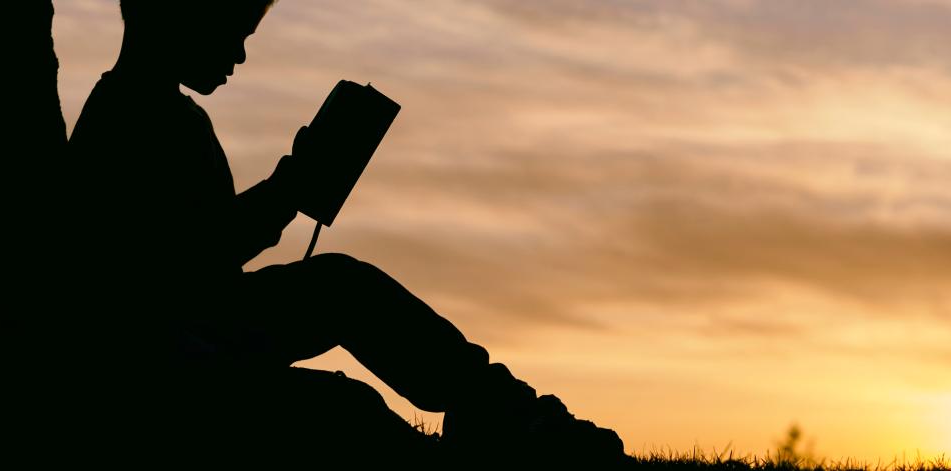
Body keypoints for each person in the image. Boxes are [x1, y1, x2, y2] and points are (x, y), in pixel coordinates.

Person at [67, 0, 627, 465]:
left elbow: (204, 249)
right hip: (169, 360)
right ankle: (508, 425)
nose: (238, 55)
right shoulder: (129, 120)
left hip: (199, 331)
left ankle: (503, 413)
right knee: (347, 403)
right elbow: (183, 264)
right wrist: (290, 187)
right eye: (233, 33)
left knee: (341, 288)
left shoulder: (158, 112)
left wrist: (289, 188)